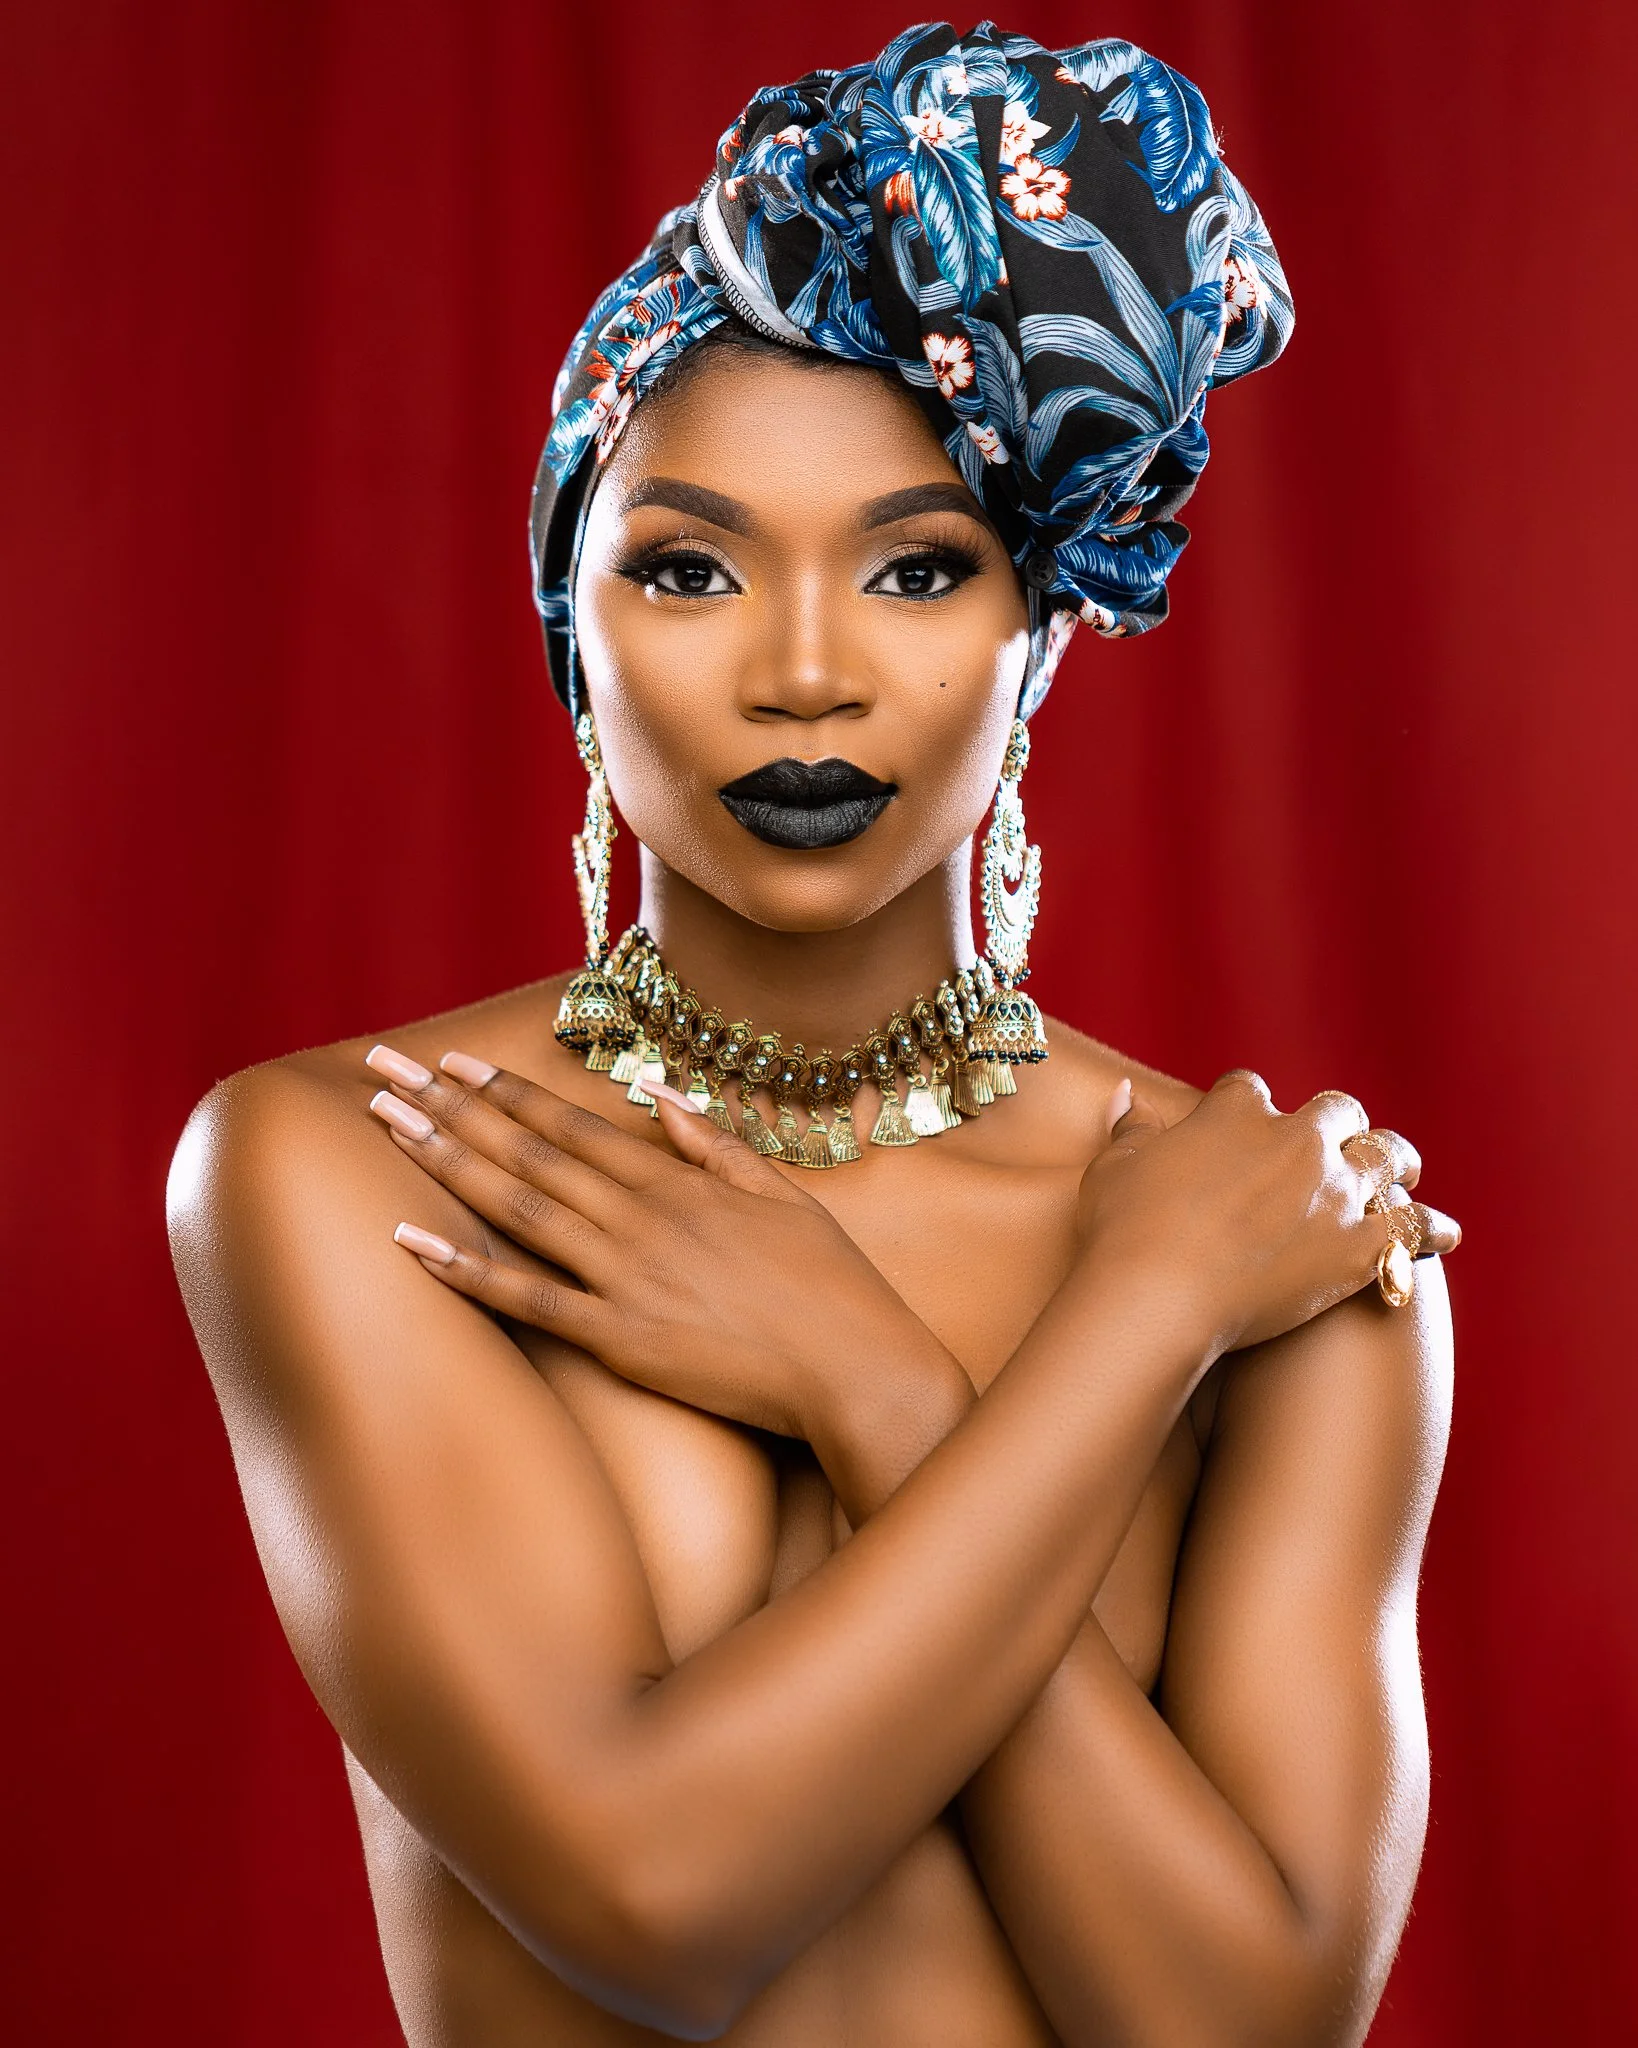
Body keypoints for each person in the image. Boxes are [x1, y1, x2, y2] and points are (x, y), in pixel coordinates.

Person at [168, 23, 1458, 2046]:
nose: (800, 673)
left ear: (1041, 638)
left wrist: (866, 1370)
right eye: (684, 566)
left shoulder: (1272, 1244)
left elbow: (1251, 2026)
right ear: (570, 630)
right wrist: (1135, 1327)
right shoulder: (354, 1161)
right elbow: (658, 1897)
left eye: (919, 567)